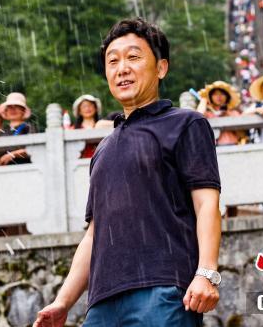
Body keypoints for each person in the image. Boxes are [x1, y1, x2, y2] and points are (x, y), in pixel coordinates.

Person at [35, 17, 221, 327]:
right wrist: (63, 301)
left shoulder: (185, 124)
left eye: (133, 57)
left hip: (163, 290)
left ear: (161, 68)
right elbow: (94, 234)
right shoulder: (104, 149)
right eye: (113, 61)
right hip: (102, 301)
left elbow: (207, 204)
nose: (122, 68)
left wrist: (206, 272)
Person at [197, 81, 247, 146]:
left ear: (227, 96)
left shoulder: (234, 113)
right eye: (215, 94)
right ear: (210, 97)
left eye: (222, 94)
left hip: (233, 146)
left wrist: (228, 116)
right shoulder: (208, 114)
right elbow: (198, 117)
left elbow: (242, 134)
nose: (219, 96)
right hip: (213, 148)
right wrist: (204, 100)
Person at [0, 91, 34, 165]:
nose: (13, 110)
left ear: (23, 111)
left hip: (25, 167)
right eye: (10, 107)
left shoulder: (28, 127)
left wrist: (12, 155)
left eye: (17, 107)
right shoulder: (3, 129)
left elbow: (34, 148)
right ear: (6, 111)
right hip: (4, 169)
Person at [70, 94, 102, 159]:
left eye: (90, 105)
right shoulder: (73, 129)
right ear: (79, 111)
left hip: (101, 161)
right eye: (84, 106)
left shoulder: (102, 125)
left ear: (96, 108)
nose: (87, 108)